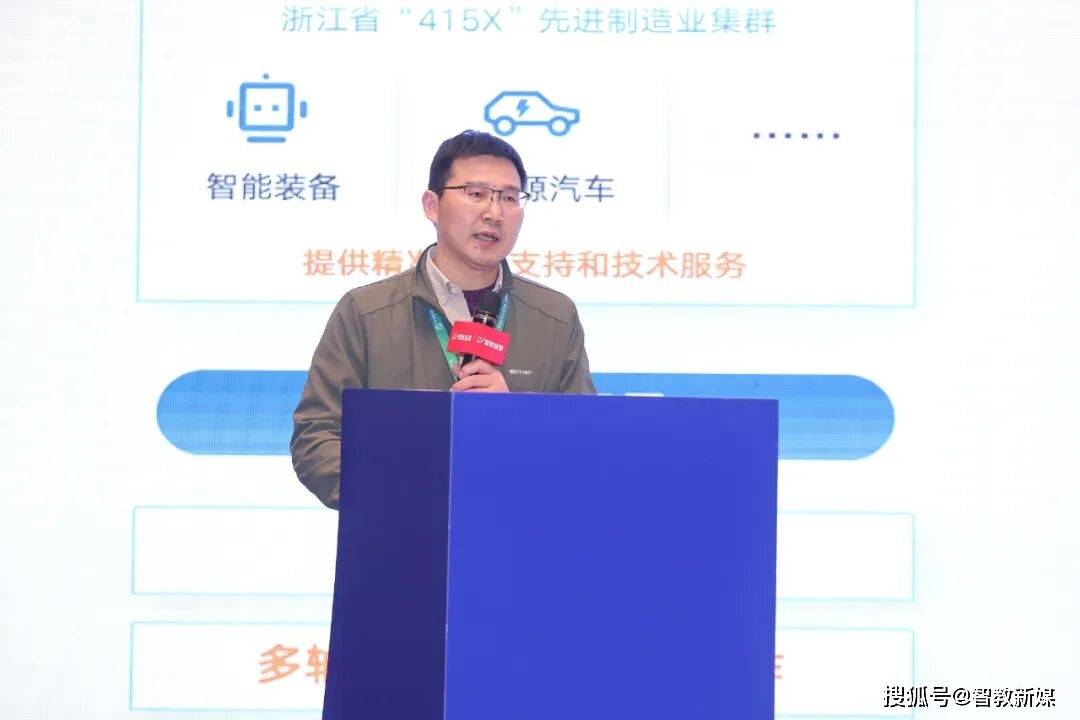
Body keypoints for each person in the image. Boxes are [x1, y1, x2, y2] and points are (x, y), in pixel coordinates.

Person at [291, 130, 596, 508]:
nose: (494, 212)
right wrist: (401, 493)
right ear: (432, 205)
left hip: (517, 531)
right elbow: (316, 436)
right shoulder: (367, 313)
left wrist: (516, 419)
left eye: (509, 197)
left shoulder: (554, 318)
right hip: (399, 533)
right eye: (476, 193)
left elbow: (585, 445)